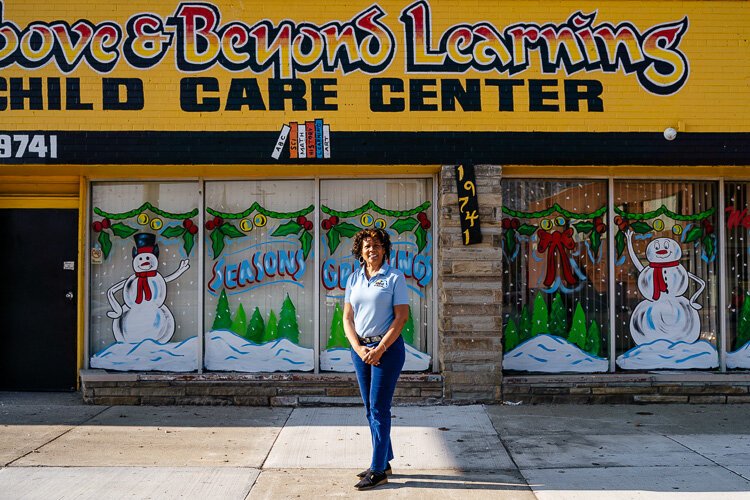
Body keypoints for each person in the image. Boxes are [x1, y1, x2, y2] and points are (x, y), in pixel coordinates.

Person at [344, 228, 409, 491]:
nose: (372, 249)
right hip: (361, 350)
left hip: (388, 350)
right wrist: (359, 348)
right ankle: (385, 459)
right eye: (367, 245)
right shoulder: (353, 278)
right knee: (370, 409)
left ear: (385, 249)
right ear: (360, 250)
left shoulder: (395, 277)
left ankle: (378, 470)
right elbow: (347, 318)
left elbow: (401, 317)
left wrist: (380, 349)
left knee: (379, 408)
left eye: (377, 245)